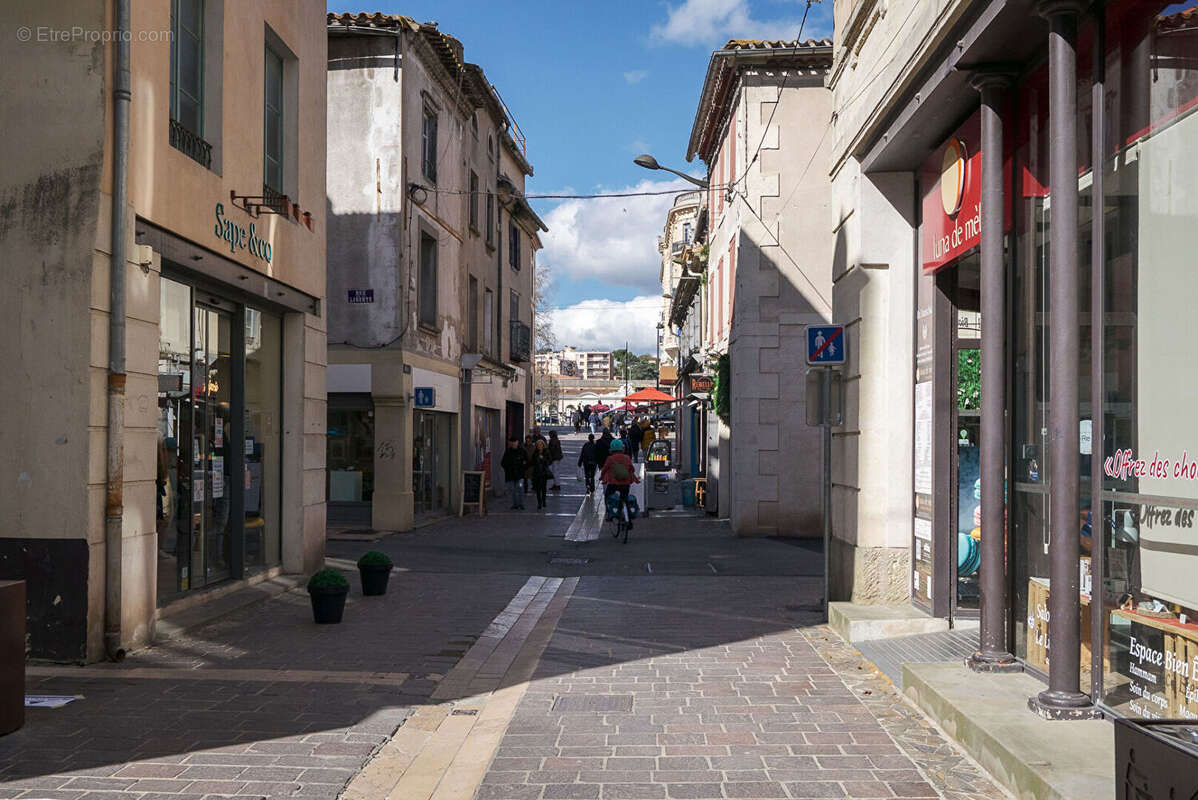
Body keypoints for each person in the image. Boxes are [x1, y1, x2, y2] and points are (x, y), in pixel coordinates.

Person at [600, 439, 640, 521]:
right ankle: (627, 515)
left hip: (613, 483)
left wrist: (601, 477)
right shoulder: (627, 458)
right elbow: (632, 469)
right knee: (624, 497)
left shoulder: (610, 459)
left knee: (608, 495)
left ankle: (610, 514)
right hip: (625, 483)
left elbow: (604, 469)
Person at [500, 438, 528, 510]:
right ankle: (515, 504)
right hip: (511, 475)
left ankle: (521, 504)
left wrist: (523, 467)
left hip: (520, 475)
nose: (513, 444)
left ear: (517, 442)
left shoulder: (522, 451)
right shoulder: (508, 452)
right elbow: (503, 463)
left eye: (514, 442)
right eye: (512, 443)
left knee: (520, 488)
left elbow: (527, 461)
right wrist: (508, 469)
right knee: (513, 490)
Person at [531, 439, 553, 510]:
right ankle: (539, 502)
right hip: (537, 472)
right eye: (538, 445)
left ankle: (543, 501)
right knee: (537, 488)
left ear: (543, 445)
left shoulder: (546, 452)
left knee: (543, 488)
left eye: (541, 445)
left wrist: (543, 459)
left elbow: (550, 461)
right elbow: (532, 461)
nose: (539, 446)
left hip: (544, 472)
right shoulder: (535, 452)